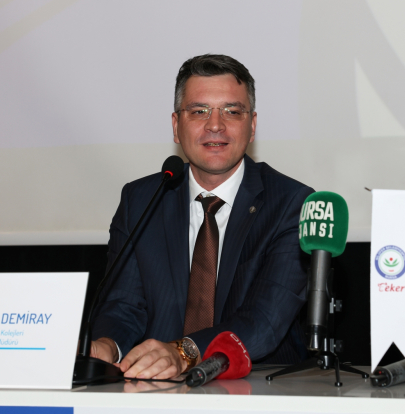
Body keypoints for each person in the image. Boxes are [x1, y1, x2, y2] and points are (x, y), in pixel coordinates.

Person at [90, 54, 314, 379]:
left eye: (232, 111)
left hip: (258, 386)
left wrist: (184, 352)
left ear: (252, 126)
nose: (215, 125)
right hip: (155, 387)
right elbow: (123, 305)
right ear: (176, 126)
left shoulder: (291, 204)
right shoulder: (140, 200)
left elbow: (264, 321)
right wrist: (107, 346)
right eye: (199, 111)